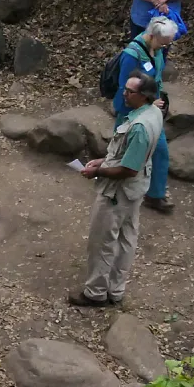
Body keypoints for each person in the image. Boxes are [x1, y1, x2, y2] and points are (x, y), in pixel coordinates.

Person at [70, 74, 165, 308]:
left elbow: (128, 168)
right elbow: (128, 154)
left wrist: (98, 171)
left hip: (119, 192)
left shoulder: (140, 127)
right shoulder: (153, 112)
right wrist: (102, 160)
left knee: (102, 240)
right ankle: (116, 288)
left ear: (144, 96)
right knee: (126, 238)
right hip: (136, 189)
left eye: (130, 91)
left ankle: (95, 293)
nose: (124, 93)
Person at [114, 15, 178, 214]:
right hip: (130, 112)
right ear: (152, 36)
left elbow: (156, 76)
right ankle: (114, 189)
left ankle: (155, 195)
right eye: (164, 42)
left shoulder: (157, 49)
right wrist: (150, 100)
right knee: (120, 151)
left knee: (160, 151)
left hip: (151, 111)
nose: (166, 46)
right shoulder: (131, 55)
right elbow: (126, 89)